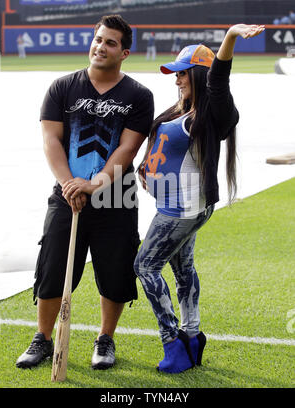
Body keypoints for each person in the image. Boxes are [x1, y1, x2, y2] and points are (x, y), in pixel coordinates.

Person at [16, 14, 154, 370]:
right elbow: (51, 141)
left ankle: (105, 339)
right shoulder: (62, 88)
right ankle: (43, 339)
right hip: (67, 196)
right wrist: (69, 184)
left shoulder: (138, 96)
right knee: (52, 268)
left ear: (124, 53)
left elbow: (127, 150)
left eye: (111, 43)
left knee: (115, 270)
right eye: (98, 39)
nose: (101, 47)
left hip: (114, 197)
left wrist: (94, 185)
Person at [134, 24, 265, 374]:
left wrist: (231, 37)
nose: (176, 81)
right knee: (183, 269)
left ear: (198, 76)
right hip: (177, 207)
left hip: (181, 210)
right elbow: (163, 148)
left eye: (182, 75)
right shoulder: (180, 109)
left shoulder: (208, 115)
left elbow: (218, 83)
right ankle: (192, 337)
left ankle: (172, 343)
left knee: (144, 267)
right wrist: (144, 168)